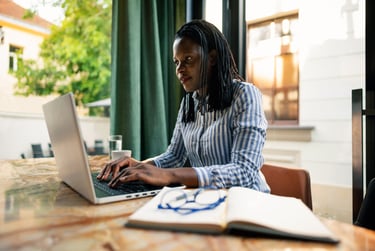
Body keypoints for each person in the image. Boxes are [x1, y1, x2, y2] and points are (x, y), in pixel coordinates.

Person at [97, 19, 269, 192]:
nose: (180, 69)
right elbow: (174, 156)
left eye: (188, 59)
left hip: (247, 205)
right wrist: (140, 167)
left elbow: (244, 172)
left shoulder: (245, 95)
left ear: (212, 58)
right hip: (207, 201)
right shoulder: (189, 103)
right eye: (176, 62)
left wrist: (171, 175)